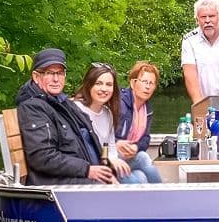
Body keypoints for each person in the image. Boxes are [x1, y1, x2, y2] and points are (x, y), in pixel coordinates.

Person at [15, 48, 116, 185]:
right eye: (50, 73)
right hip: (54, 188)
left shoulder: (64, 103)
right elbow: (42, 157)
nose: (56, 79)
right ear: (36, 77)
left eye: (60, 73)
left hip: (77, 177)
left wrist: (106, 172)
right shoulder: (33, 108)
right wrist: (87, 170)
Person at [73, 63, 159, 184]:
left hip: (108, 159)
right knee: (137, 175)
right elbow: (86, 149)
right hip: (87, 168)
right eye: (98, 83)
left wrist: (133, 148)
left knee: (141, 174)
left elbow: (108, 144)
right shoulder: (76, 111)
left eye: (109, 85)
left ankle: (158, 199)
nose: (104, 89)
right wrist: (110, 160)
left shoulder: (107, 113)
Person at [114, 61, 163, 183]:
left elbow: (146, 139)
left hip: (130, 155)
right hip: (112, 155)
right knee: (142, 161)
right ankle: (161, 195)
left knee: (142, 173)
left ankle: (159, 195)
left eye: (151, 83)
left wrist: (136, 147)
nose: (148, 87)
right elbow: (103, 135)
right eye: (144, 82)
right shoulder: (120, 103)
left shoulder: (147, 109)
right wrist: (117, 143)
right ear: (133, 83)